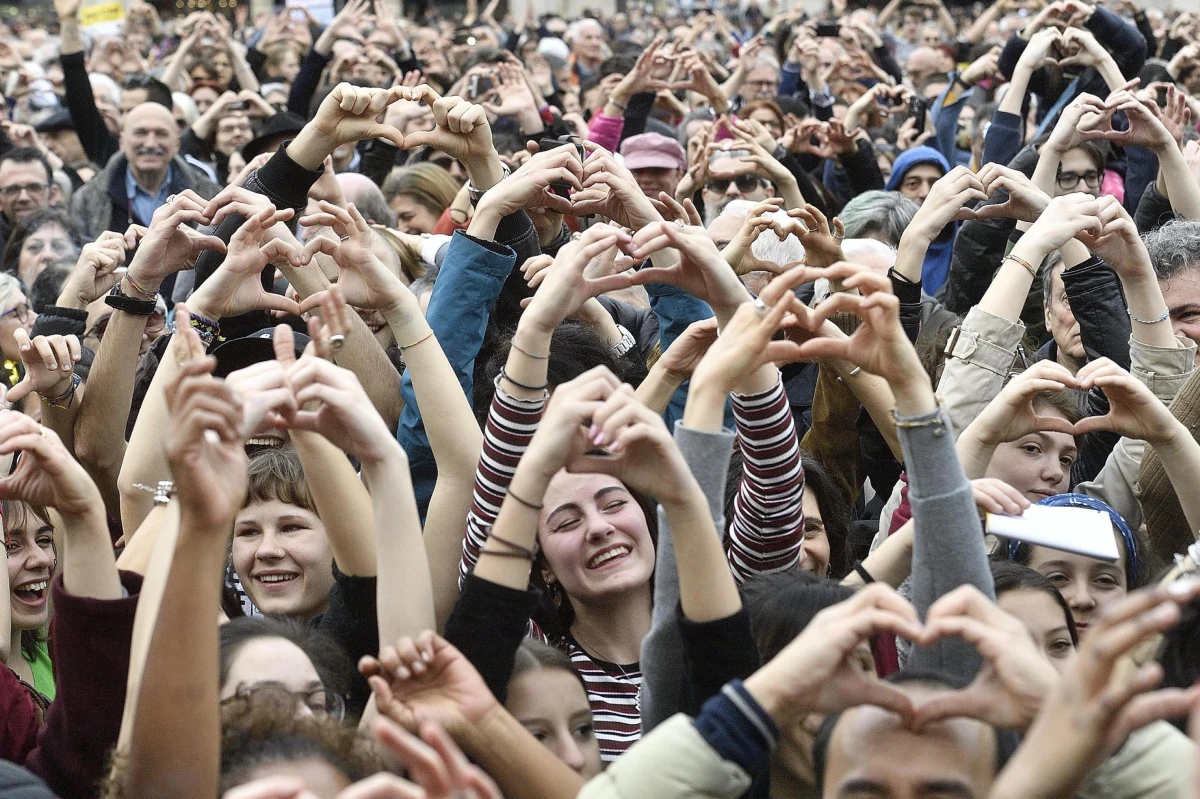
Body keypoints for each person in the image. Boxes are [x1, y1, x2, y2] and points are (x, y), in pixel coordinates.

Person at [0, 149, 59, 256]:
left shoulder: (75, 244)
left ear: (52, 195)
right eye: (12, 189)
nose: (23, 197)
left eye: (34, 187)